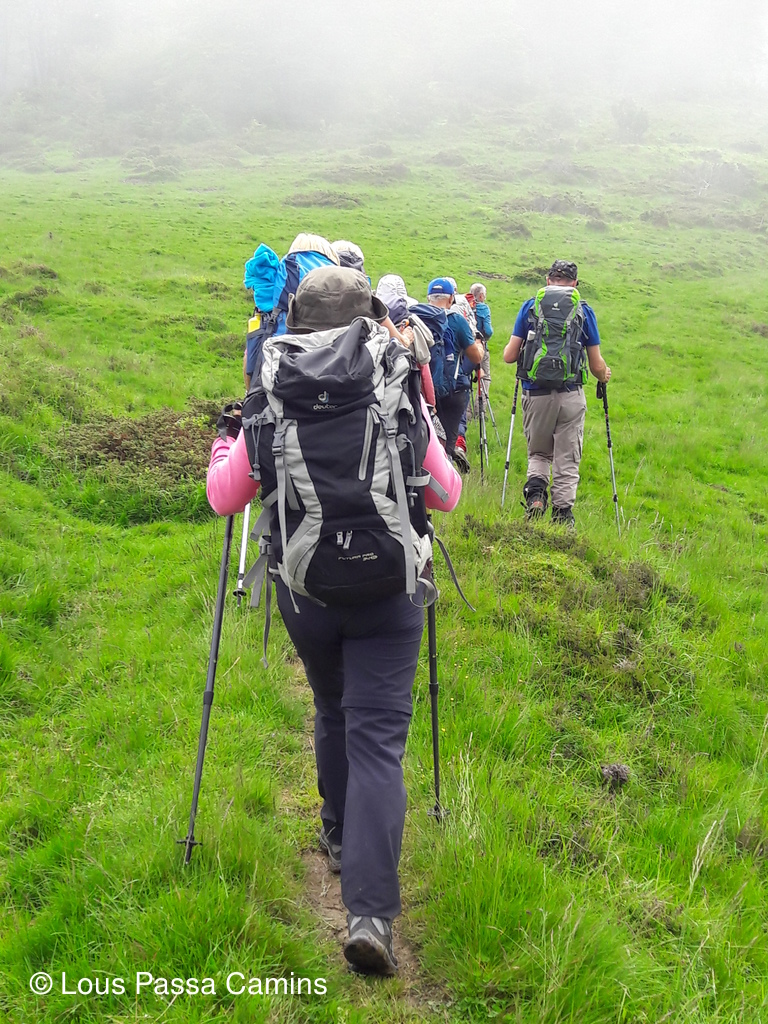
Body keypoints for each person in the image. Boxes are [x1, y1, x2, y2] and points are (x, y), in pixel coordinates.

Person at [206, 266, 463, 977]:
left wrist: (225, 444)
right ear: (366, 318)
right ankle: (370, 916)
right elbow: (445, 494)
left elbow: (225, 498)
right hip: (390, 593)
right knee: (377, 740)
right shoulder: (394, 381)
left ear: (297, 319)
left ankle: (340, 835)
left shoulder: (272, 390)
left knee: (330, 707)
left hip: (307, 591)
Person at [503, 259, 611, 527]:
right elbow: (596, 365)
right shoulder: (584, 311)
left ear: (548, 280)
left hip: (536, 394)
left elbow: (508, 356)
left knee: (539, 453)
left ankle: (536, 497)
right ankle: (562, 516)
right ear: (575, 283)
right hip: (570, 395)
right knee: (567, 457)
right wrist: (604, 375)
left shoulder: (530, 307)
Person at [426, 277, 483, 468]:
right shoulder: (456, 320)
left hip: (423, 389)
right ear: (451, 298)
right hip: (454, 389)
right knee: (447, 443)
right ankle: (445, 475)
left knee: (425, 439)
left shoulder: (417, 316)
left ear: (428, 298)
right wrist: (479, 345)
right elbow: (475, 357)